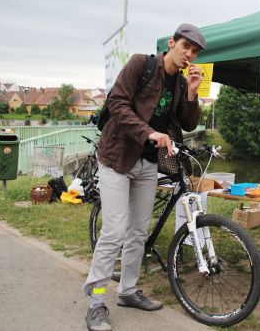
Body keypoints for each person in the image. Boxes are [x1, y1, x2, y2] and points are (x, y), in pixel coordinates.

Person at [83, 23, 206, 331]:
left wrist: (192, 94)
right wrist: (149, 133)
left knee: (138, 231)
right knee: (114, 230)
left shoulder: (179, 83)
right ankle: (96, 302)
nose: (189, 54)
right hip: (116, 158)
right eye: (185, 46)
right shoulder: (142, 64)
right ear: (172, 43)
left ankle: (126, 291)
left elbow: (187, 124)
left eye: (194, 51)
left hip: (148, 164)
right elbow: (118, 104)